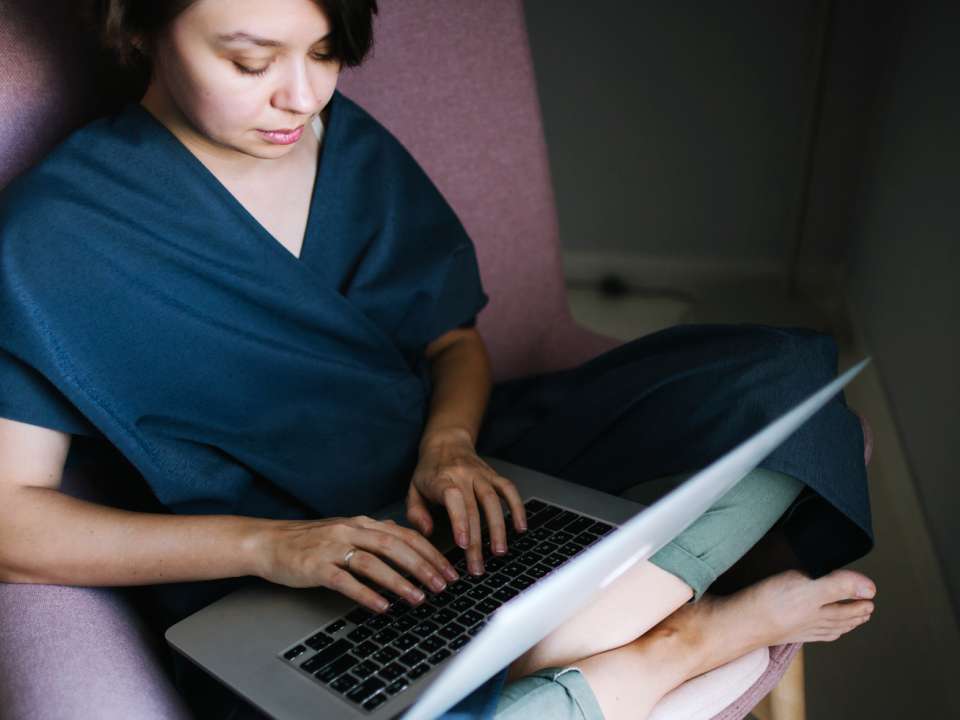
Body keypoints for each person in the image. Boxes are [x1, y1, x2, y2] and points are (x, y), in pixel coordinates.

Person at [0, 1, 878, 718]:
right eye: (249, 60)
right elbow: (12, 525)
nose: (300, 97)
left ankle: (551, 656)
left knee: (780, 381)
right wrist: (274, 547)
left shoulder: (347, 144)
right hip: (280, 581)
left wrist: (450, 447)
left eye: (326, 51)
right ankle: (674, 639)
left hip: (463, 486)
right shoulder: (54, 236)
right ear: (143, 27)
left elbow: (452, 341)